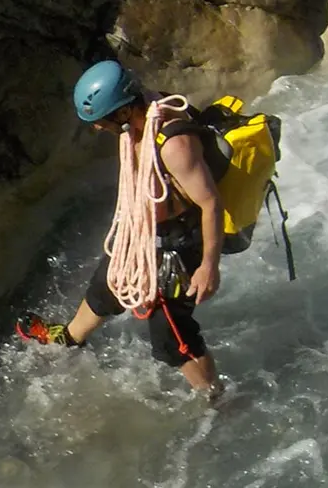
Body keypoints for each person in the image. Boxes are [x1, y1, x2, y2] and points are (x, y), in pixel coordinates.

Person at [16, 60, 226, 398]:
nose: (98, 129)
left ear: (123, 113)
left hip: (179, 241)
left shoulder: (174, 144)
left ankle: (216, 398)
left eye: (100, 121)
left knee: (170, 332)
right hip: (147, 233)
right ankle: (68, 339)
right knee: (108, 281)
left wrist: (208, 267)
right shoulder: (143, 113)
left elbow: (211, 203)